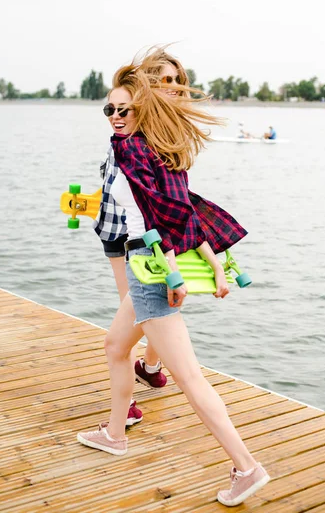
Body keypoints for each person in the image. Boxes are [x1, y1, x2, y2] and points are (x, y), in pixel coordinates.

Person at [78, 49, 270, 506]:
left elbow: (166, 217)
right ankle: (115, 433)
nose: (117, 117)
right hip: (149, 262)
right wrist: (214, 262)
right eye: (110, 110)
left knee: (189, 377)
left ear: (142, 108)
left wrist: (175, 273)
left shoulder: (133, 149)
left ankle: (246, 467)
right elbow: (180, 212)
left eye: (125, 109)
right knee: (114, 346)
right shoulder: (157, 148)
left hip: (151, 267)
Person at [92, 52, 191, 400]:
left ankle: (148, 368)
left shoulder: (166, 126)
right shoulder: (132, 122)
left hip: (149, 236)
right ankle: (130, 397)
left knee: (153, 312)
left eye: (179, 81)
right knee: (137, 316)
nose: (176, 87)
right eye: (166, 81)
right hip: (122, 235)